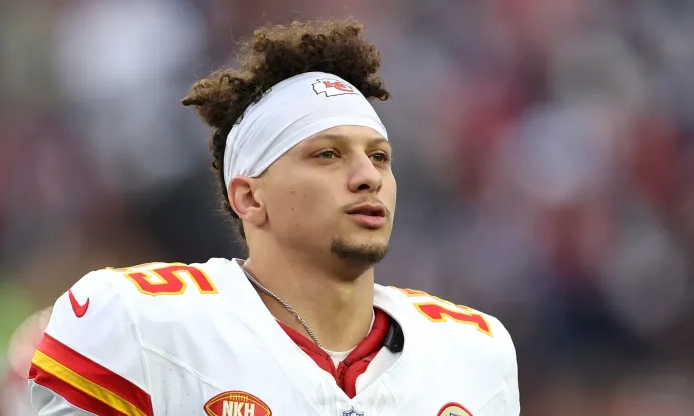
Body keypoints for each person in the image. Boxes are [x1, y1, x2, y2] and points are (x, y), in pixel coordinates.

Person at [29, 19, 520, 415]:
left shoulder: (473, 352)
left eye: (380, 157)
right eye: (327, 155)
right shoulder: (139, 321)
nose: (367, 176)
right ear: (248, 198)